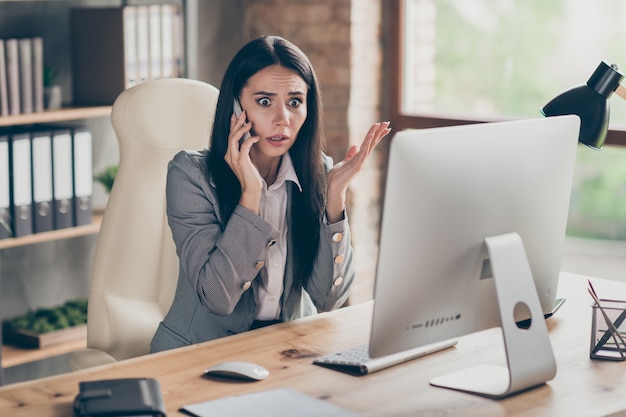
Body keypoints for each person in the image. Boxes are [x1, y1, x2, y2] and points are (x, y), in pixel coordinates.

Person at [150, 35, 391, 352]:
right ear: (236, 106)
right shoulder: (191, 175)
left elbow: (329, 299)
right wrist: (250, 196)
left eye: (294, 102)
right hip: (201, 352)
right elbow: (217, 298)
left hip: (288, 349)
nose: (283, 119)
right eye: (264, 101)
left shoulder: (318, 171)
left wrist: (334, 198)